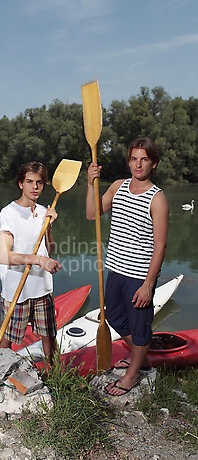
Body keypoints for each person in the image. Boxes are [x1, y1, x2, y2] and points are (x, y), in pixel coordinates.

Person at [86, 137, 169, 396]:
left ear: (153, 164)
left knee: (140, 326)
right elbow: (92, 214)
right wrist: (90, 184)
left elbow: (161, 246)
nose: (138, 164)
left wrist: (148, 285)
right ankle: (140, 357)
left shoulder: (157, 199)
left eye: (144, 159)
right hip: (116, 270)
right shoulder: (118, 187)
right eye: (134, 159)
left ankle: (132, 375)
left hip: (139, 275)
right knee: (114, 317)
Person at [0, 161, 62, 364]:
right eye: (30, 182)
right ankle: (0, 374)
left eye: (39, 183)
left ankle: (54, 376)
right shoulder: (8, 214)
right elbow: (4, 256)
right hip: (17, 290)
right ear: (20, 184)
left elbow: (49, 249)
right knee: (7, 340)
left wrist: (49, 227)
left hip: (42, 288)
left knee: (49, 337)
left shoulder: (43, 211)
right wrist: (39, 261)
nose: (35, 187)